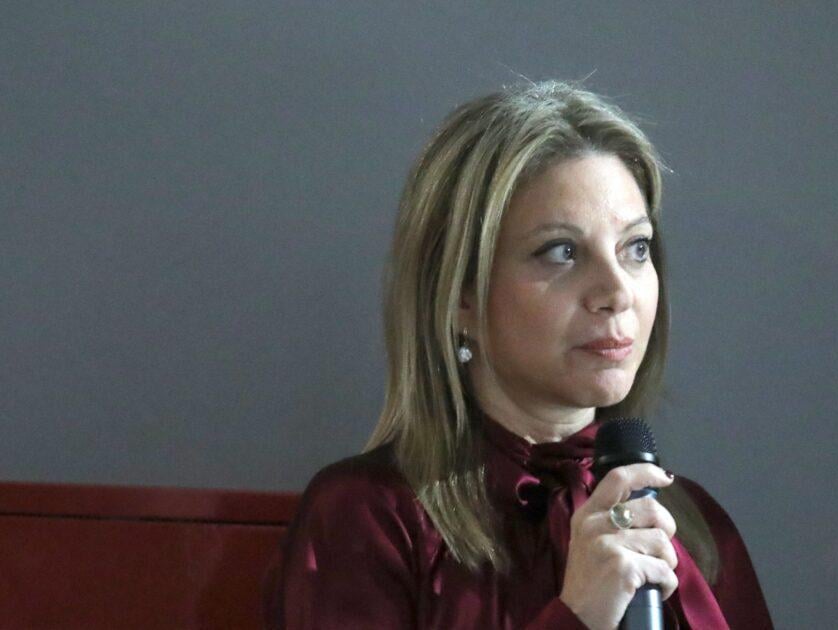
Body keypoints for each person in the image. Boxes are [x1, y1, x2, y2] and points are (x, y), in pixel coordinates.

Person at [263, 80, 773, 629]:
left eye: (636, 247)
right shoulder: (364, 518)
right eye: (562, 252)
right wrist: (578, 615)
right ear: (460, 295)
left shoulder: (695, 526)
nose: (616, 291)